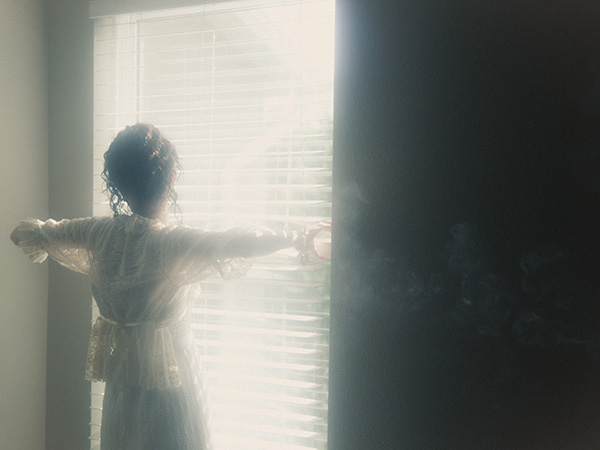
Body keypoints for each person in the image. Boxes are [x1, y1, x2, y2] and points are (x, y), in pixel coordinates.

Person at [10, 123, 330, 450]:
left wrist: (35, 234)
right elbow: (238, 243)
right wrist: (298, 237)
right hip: (173, 388)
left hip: (123, 392)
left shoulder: (97, 233)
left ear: (119, 185)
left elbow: (24, 235)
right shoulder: (170, 243)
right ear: (171, 179)